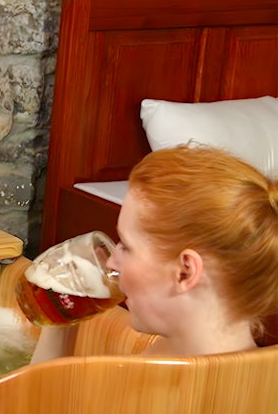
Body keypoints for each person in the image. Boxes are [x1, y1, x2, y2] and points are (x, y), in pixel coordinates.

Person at [31, 144, 278, 362]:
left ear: (185, 272)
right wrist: (63, 318)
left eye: (126, 246)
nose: (112, 262)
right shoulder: (169, 354)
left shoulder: (183, 391)